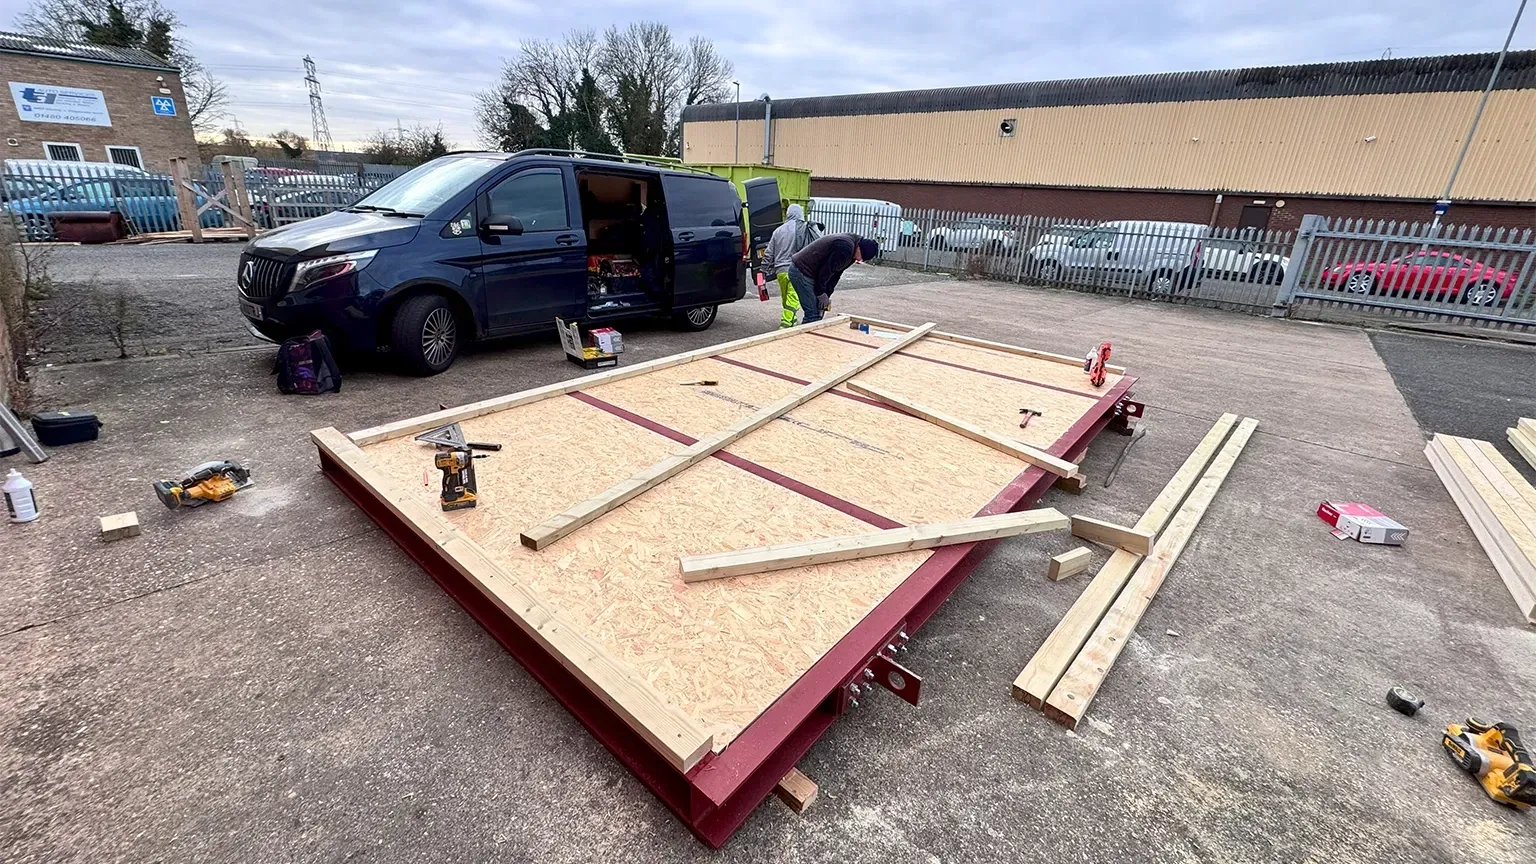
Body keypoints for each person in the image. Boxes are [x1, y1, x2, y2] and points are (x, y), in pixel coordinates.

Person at [786, 233, 878, 323]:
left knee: (818, 312)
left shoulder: (852, 253)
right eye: (861, 257)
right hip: (801, 271)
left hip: (812, 272)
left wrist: (827, 294)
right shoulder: (845, 247)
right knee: (813, 314)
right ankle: (805, 338)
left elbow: (836, 274)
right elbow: (826, 271)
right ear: (859, 248)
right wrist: (821, 293)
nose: (860, 260)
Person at [763, 203, 816, 328]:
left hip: (780, 271)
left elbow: (768, 253)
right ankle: (785, 324)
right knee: (793, 298)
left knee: (786, 299)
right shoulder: (803, 229)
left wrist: (762, 270)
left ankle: (791, 321)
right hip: (796, 270)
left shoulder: (778, 231)